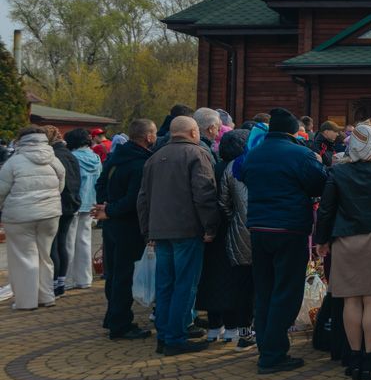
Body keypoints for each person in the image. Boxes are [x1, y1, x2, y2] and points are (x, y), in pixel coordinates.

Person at [313, 122, 371, 380]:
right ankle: (369, 355)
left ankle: (354, 356)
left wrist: (321, 240)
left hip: (346, 239)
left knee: (351, 300)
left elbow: (326, 209)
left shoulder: (338, 172)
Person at [240, 108, 328, 373]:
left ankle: (266, 346)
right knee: (286, 291)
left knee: (265, 290)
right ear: (292, 131)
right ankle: (274, 353)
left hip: (258, 228)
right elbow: (320, 183)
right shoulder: (300, 154)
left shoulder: (253, 155)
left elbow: (244, 178)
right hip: (289, 229)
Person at [137, 116, 221, 355]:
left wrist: (147, 231)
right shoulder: (197, 155)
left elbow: (142, 198)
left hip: (160, 230)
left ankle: (164, 335)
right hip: (187, 230)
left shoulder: (153, 158)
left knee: (165, 285)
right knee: (185, 285)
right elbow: (204, 194)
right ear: (194, 132)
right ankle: (175, 337)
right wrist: (210, 226)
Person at [95, 119, 156, 339]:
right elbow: (135, 200)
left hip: (111, 224)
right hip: (129, 225)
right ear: (148, 137)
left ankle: (112, 316)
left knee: (113, 273)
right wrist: (110, 209)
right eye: (154, 134)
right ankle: (120, 324)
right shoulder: (140, 164)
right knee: (124, 275)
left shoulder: (115, 157)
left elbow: (100, 184)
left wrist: (105, 206)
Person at [0, 127, 66, 310]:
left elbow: (1, 191)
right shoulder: (54, 161)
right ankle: (47, 296)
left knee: (24, 257)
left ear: (21, 140)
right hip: (50, 214)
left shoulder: (13, 163)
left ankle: (26, 301)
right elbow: (60, 186)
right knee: (45, 256)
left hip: (20, 216)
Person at [213, 129, 257, 349]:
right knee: (263, 283)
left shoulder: (232, 167)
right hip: (264, 230)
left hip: (239, 233)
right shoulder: (263, 162)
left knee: (243, 285)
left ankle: (245, 332)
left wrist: (236, 219)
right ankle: (260, 330)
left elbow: (223, 203)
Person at [46, 126, 81, 297]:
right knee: (63, 243)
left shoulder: (53, 156)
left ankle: (53, 283)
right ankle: (61, 282)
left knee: (53, 245)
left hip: (59, 203)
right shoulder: (70, 155)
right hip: (72, 203)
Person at [65, 128, 101, 291]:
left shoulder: (72, 158)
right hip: (91, 202)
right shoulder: (95, 157)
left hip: (75, 202)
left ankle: (68, 278)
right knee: (85, 240)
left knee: (69, 241)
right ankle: (85, 278)